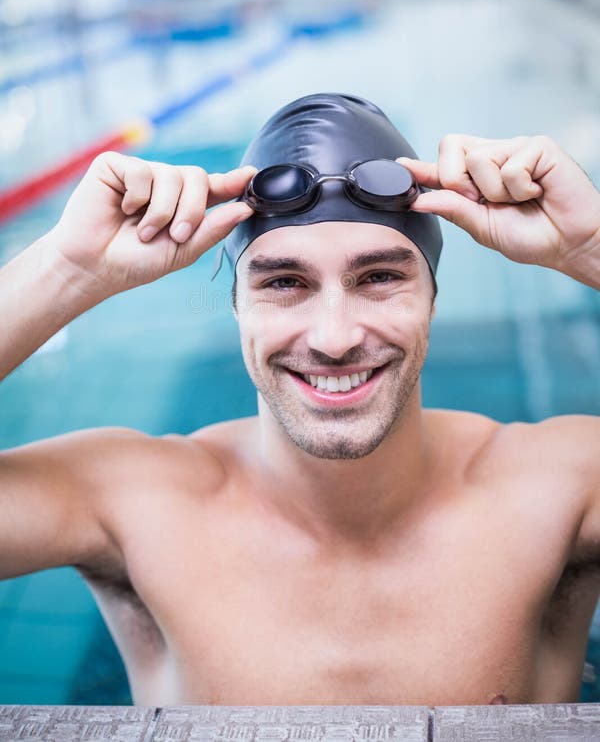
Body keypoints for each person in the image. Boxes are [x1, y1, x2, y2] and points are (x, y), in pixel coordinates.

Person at [0, 93, 599, 708]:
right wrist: (66, 269)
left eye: (380, 277)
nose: (334, 338)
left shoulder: (558, 489)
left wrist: (591, 245)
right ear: (237, 306)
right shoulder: (136, 507)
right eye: (285, 283)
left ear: (433, 299)